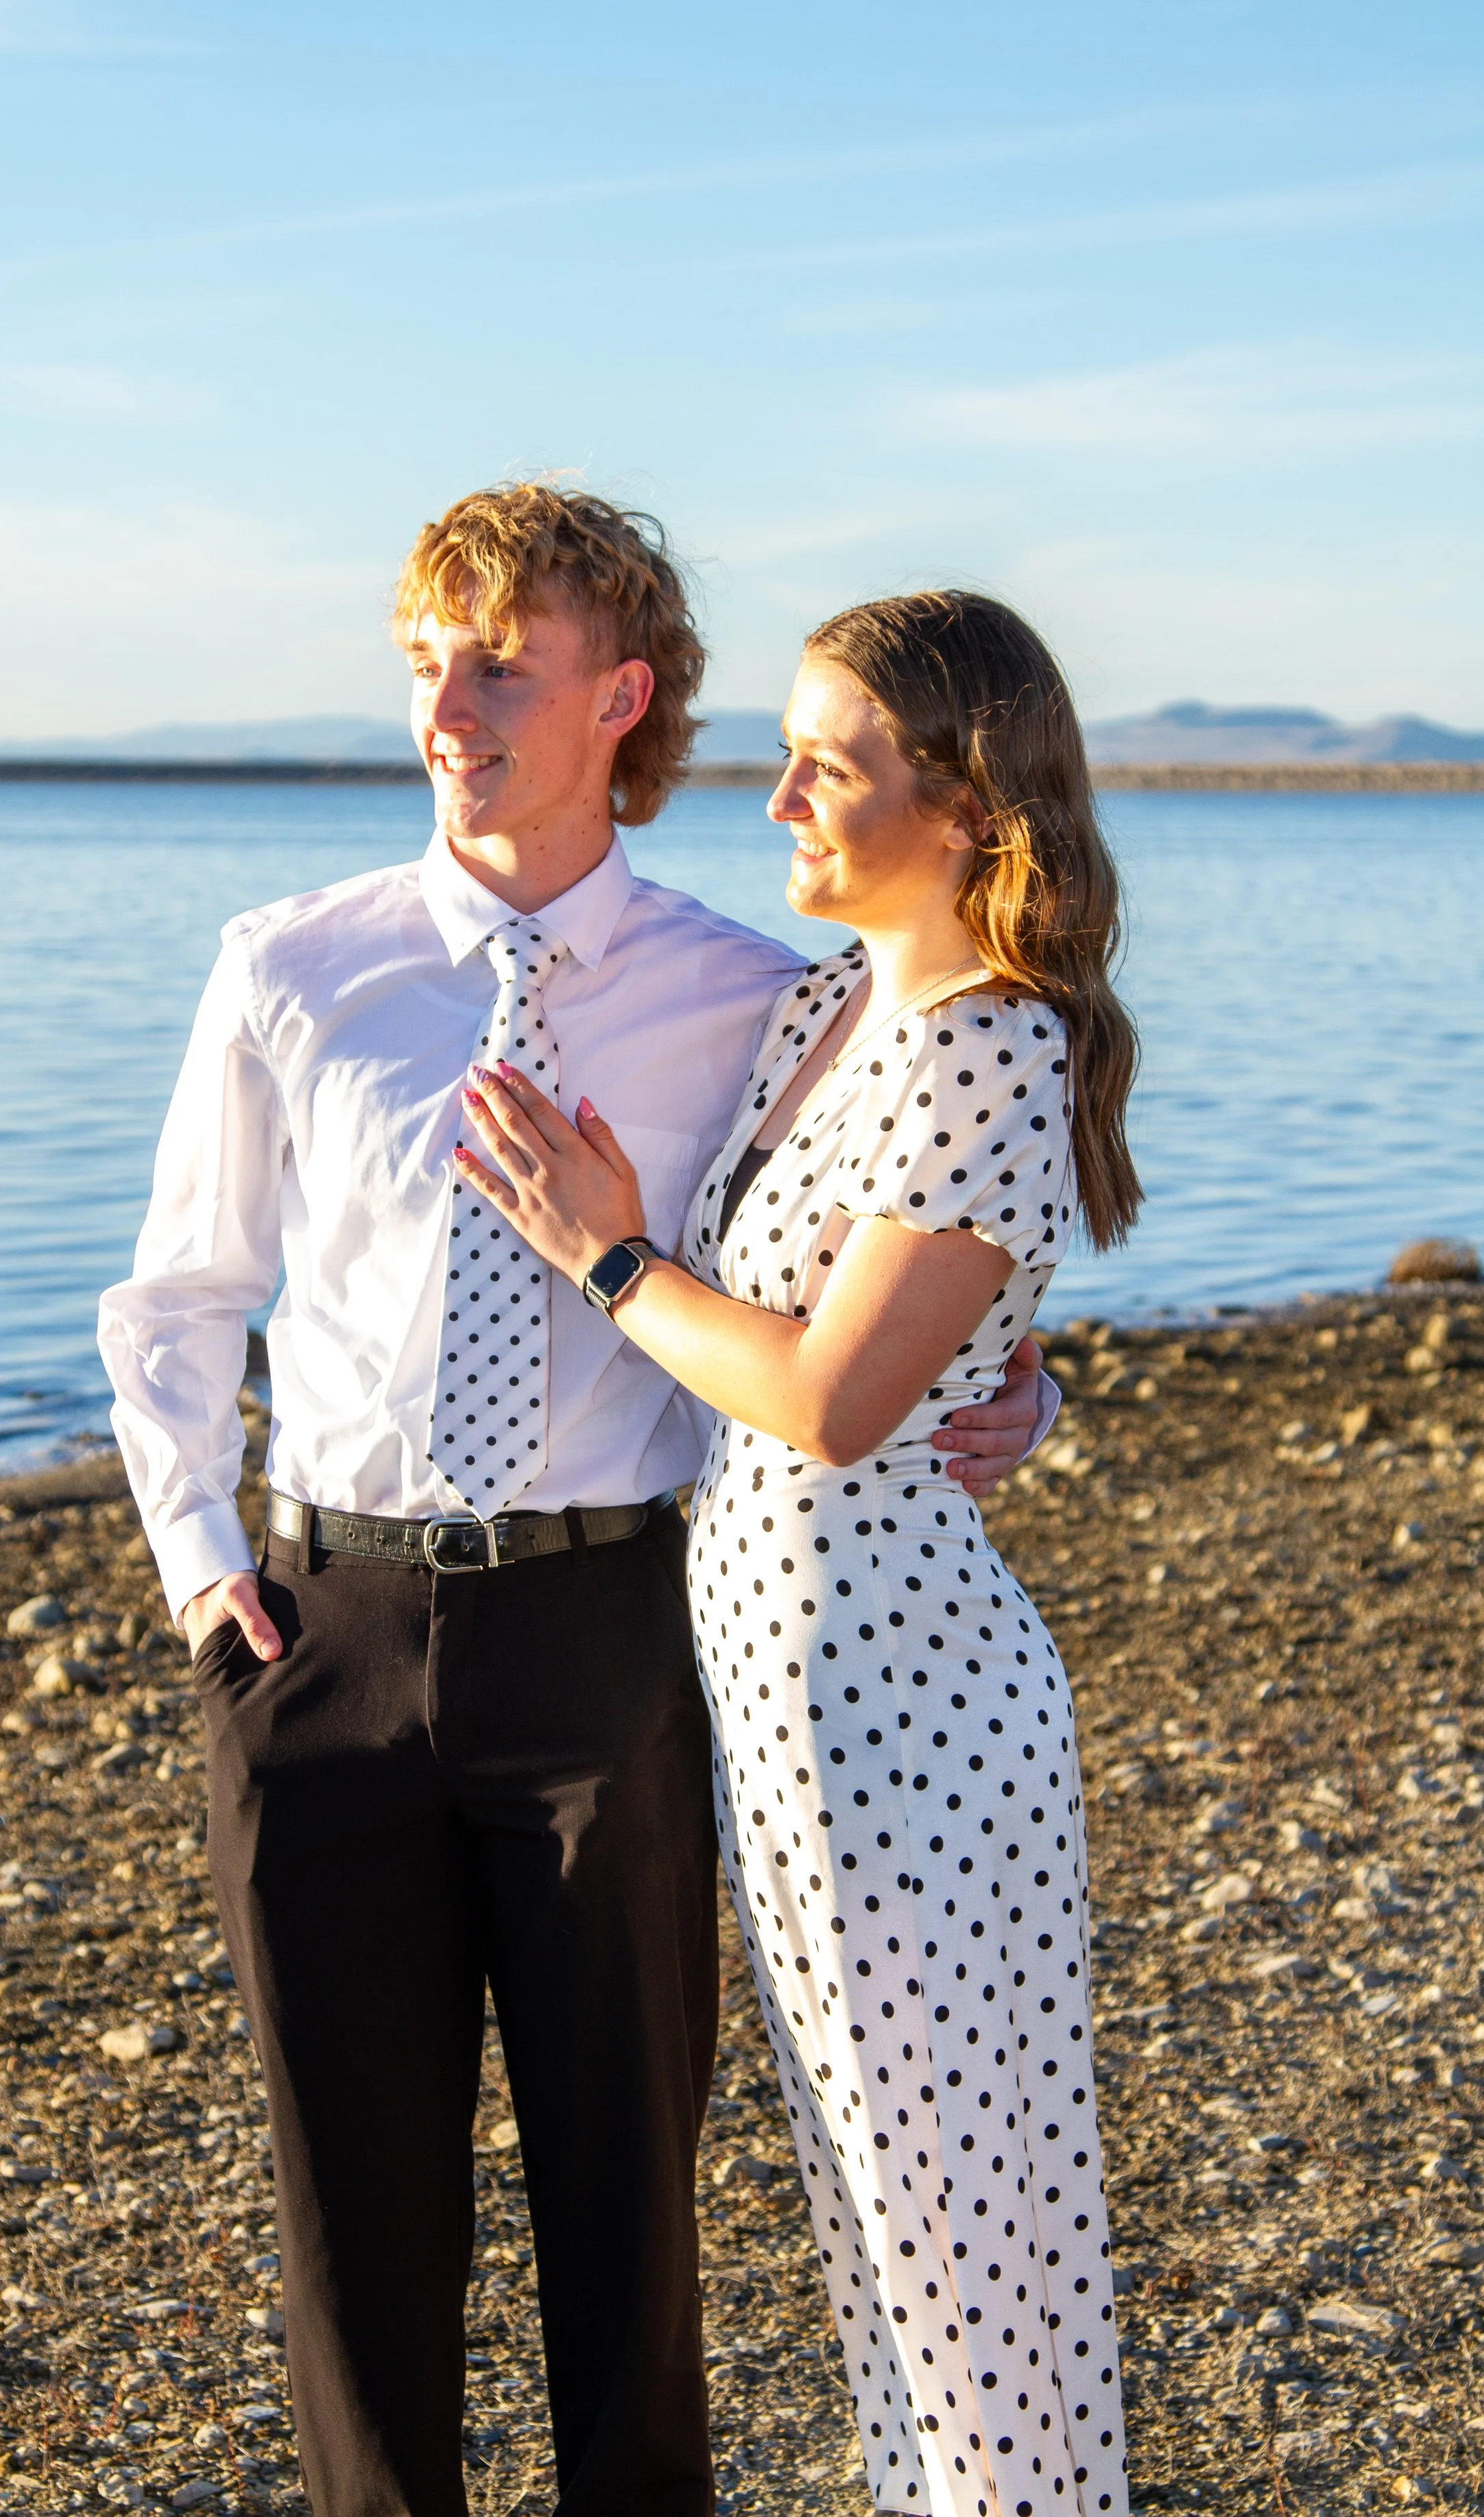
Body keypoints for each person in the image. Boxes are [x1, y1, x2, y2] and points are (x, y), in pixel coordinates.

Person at [96, 486, 1054, 2517]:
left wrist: (1006, 1375)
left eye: (497, 660)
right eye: (422, 657)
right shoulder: (291, 967)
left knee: (629, 2217)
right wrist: (203, 1577)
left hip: (615, 1643)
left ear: (617, 696)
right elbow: (177, 1302)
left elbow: (883, 1232)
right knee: (352, 2229)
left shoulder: (760, 1000)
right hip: (323, 1640)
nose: (445, 702)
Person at [454, 586, 1140, 2517]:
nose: (774, 805)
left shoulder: (988, 1048)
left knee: (964, 2234)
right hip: (790, 1697)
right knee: (880, 2216)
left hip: (901, 1707)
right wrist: (1020, 1382)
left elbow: (833, 1401)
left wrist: (598, 1249)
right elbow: (923, 1341)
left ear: (970, 802)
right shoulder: (825, 1009)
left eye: (824, 768)